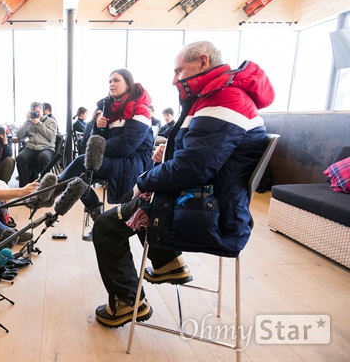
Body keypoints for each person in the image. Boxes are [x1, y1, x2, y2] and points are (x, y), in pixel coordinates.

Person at [91, 41, 274, 328]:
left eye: (179, 71)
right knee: (132, 199)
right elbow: (206, 159)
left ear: (202, 62)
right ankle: (167, 263)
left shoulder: (224, 100)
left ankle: (127, 303)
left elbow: (194, 168)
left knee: (105, 225)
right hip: (212, 204)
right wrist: (172, 155)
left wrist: (146, 180)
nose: (174, 79)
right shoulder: (223, 96)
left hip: (209, 216)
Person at [58, 68, 154, 241]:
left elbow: (126, 145)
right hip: (115, 159)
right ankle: (99, 221)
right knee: (79, 179)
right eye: (109, 81)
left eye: (116, 80)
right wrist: (99, 127)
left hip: (132, 161)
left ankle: (53, 190)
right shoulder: (109, 109)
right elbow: (98, 139)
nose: (111, 84)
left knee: (82, 162)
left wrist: (96, 148)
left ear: (128, 83)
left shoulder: (140, 109)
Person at [15, 102, 57, 187]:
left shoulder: (51, 121)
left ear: (43, 111)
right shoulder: (29, 122)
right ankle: (25, 187)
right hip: (31, 147)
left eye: (38, 111)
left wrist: (39, 123)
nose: (36, 113)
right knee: (20, 158)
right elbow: (19, 135)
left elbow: (51, 136)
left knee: (44, 157)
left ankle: (44, 187)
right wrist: (27, 121)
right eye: (34, 111)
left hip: (46, 148)